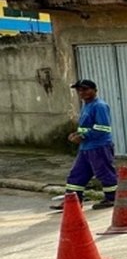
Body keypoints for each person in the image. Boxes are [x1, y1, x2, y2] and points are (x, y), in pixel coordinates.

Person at [51, 79, 117, 211]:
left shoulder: (100, 106)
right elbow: (86, 127)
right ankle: (73, 202)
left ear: (94, 90)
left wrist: (83, 136)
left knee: (104, 173)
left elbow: (103, 128)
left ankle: (112, 198)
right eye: (79, 90)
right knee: (77, 174)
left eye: (85, 89)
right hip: (86, 148)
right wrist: (76, 134)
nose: (82, 93)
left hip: (99, 146)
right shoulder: (87, 106)